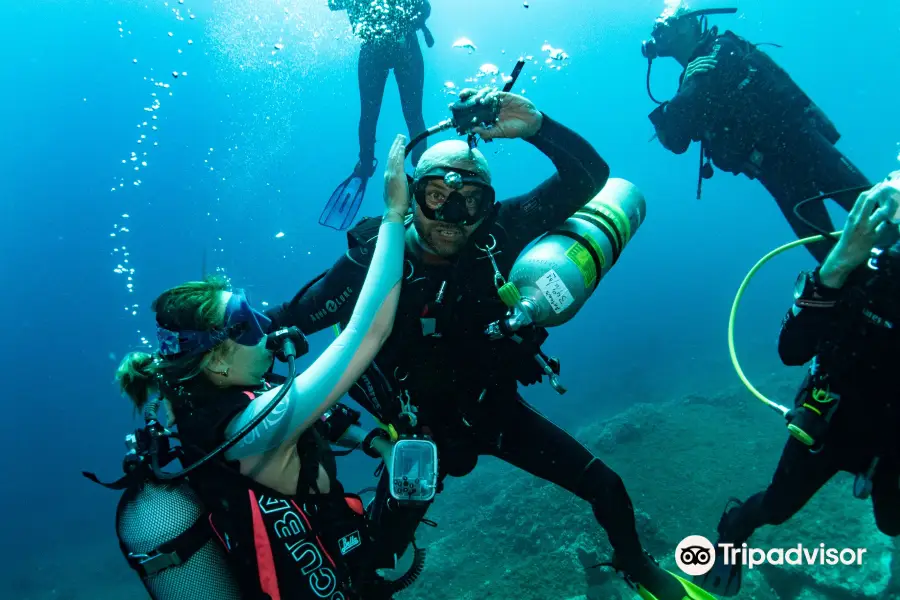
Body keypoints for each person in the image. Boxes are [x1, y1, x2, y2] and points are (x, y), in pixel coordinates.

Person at [269, 89, 716, 600]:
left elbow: (589, 177)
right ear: (409, 196)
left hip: (494, 410)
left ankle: (637, 568)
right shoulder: (373, 262)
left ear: (489, 204)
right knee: (376, 559)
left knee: (607, 488)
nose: (451, 216)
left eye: (470, 200)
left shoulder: (499, 232)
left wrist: (536, 126)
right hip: (419, 434)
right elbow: (287, 321)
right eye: (436, 195)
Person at [113, 135, 412, 600]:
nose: (264, 327)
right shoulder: (250, 425)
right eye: (244, 325)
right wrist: (394, 215)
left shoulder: (202, 404)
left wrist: (373, 441)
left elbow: (313, 419)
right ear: (215, 356)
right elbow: (367, 331)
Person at [695, 173, 900, 596]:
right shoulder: (862, 267)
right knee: (776, 507)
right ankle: (731, 534)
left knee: (892, 521)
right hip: (831, 423)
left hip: (892, 441)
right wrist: (837, 266)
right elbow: (791, 349)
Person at [643, 4, 871, 263]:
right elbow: (676, 141)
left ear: (686, 23)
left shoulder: (722, 46)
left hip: (802, 144)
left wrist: (672, 109)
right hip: (775, 172)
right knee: (830, 257)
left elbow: (697, 92)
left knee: (881, 210)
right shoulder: (689, 78)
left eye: (663, 23)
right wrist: (677, 104)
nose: (656, 30)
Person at [321, 0, 434, 231]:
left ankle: (371, 166)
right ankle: (418, 169)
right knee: (406, 115)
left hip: (385, 47)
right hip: (398, 47)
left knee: (384, 115)